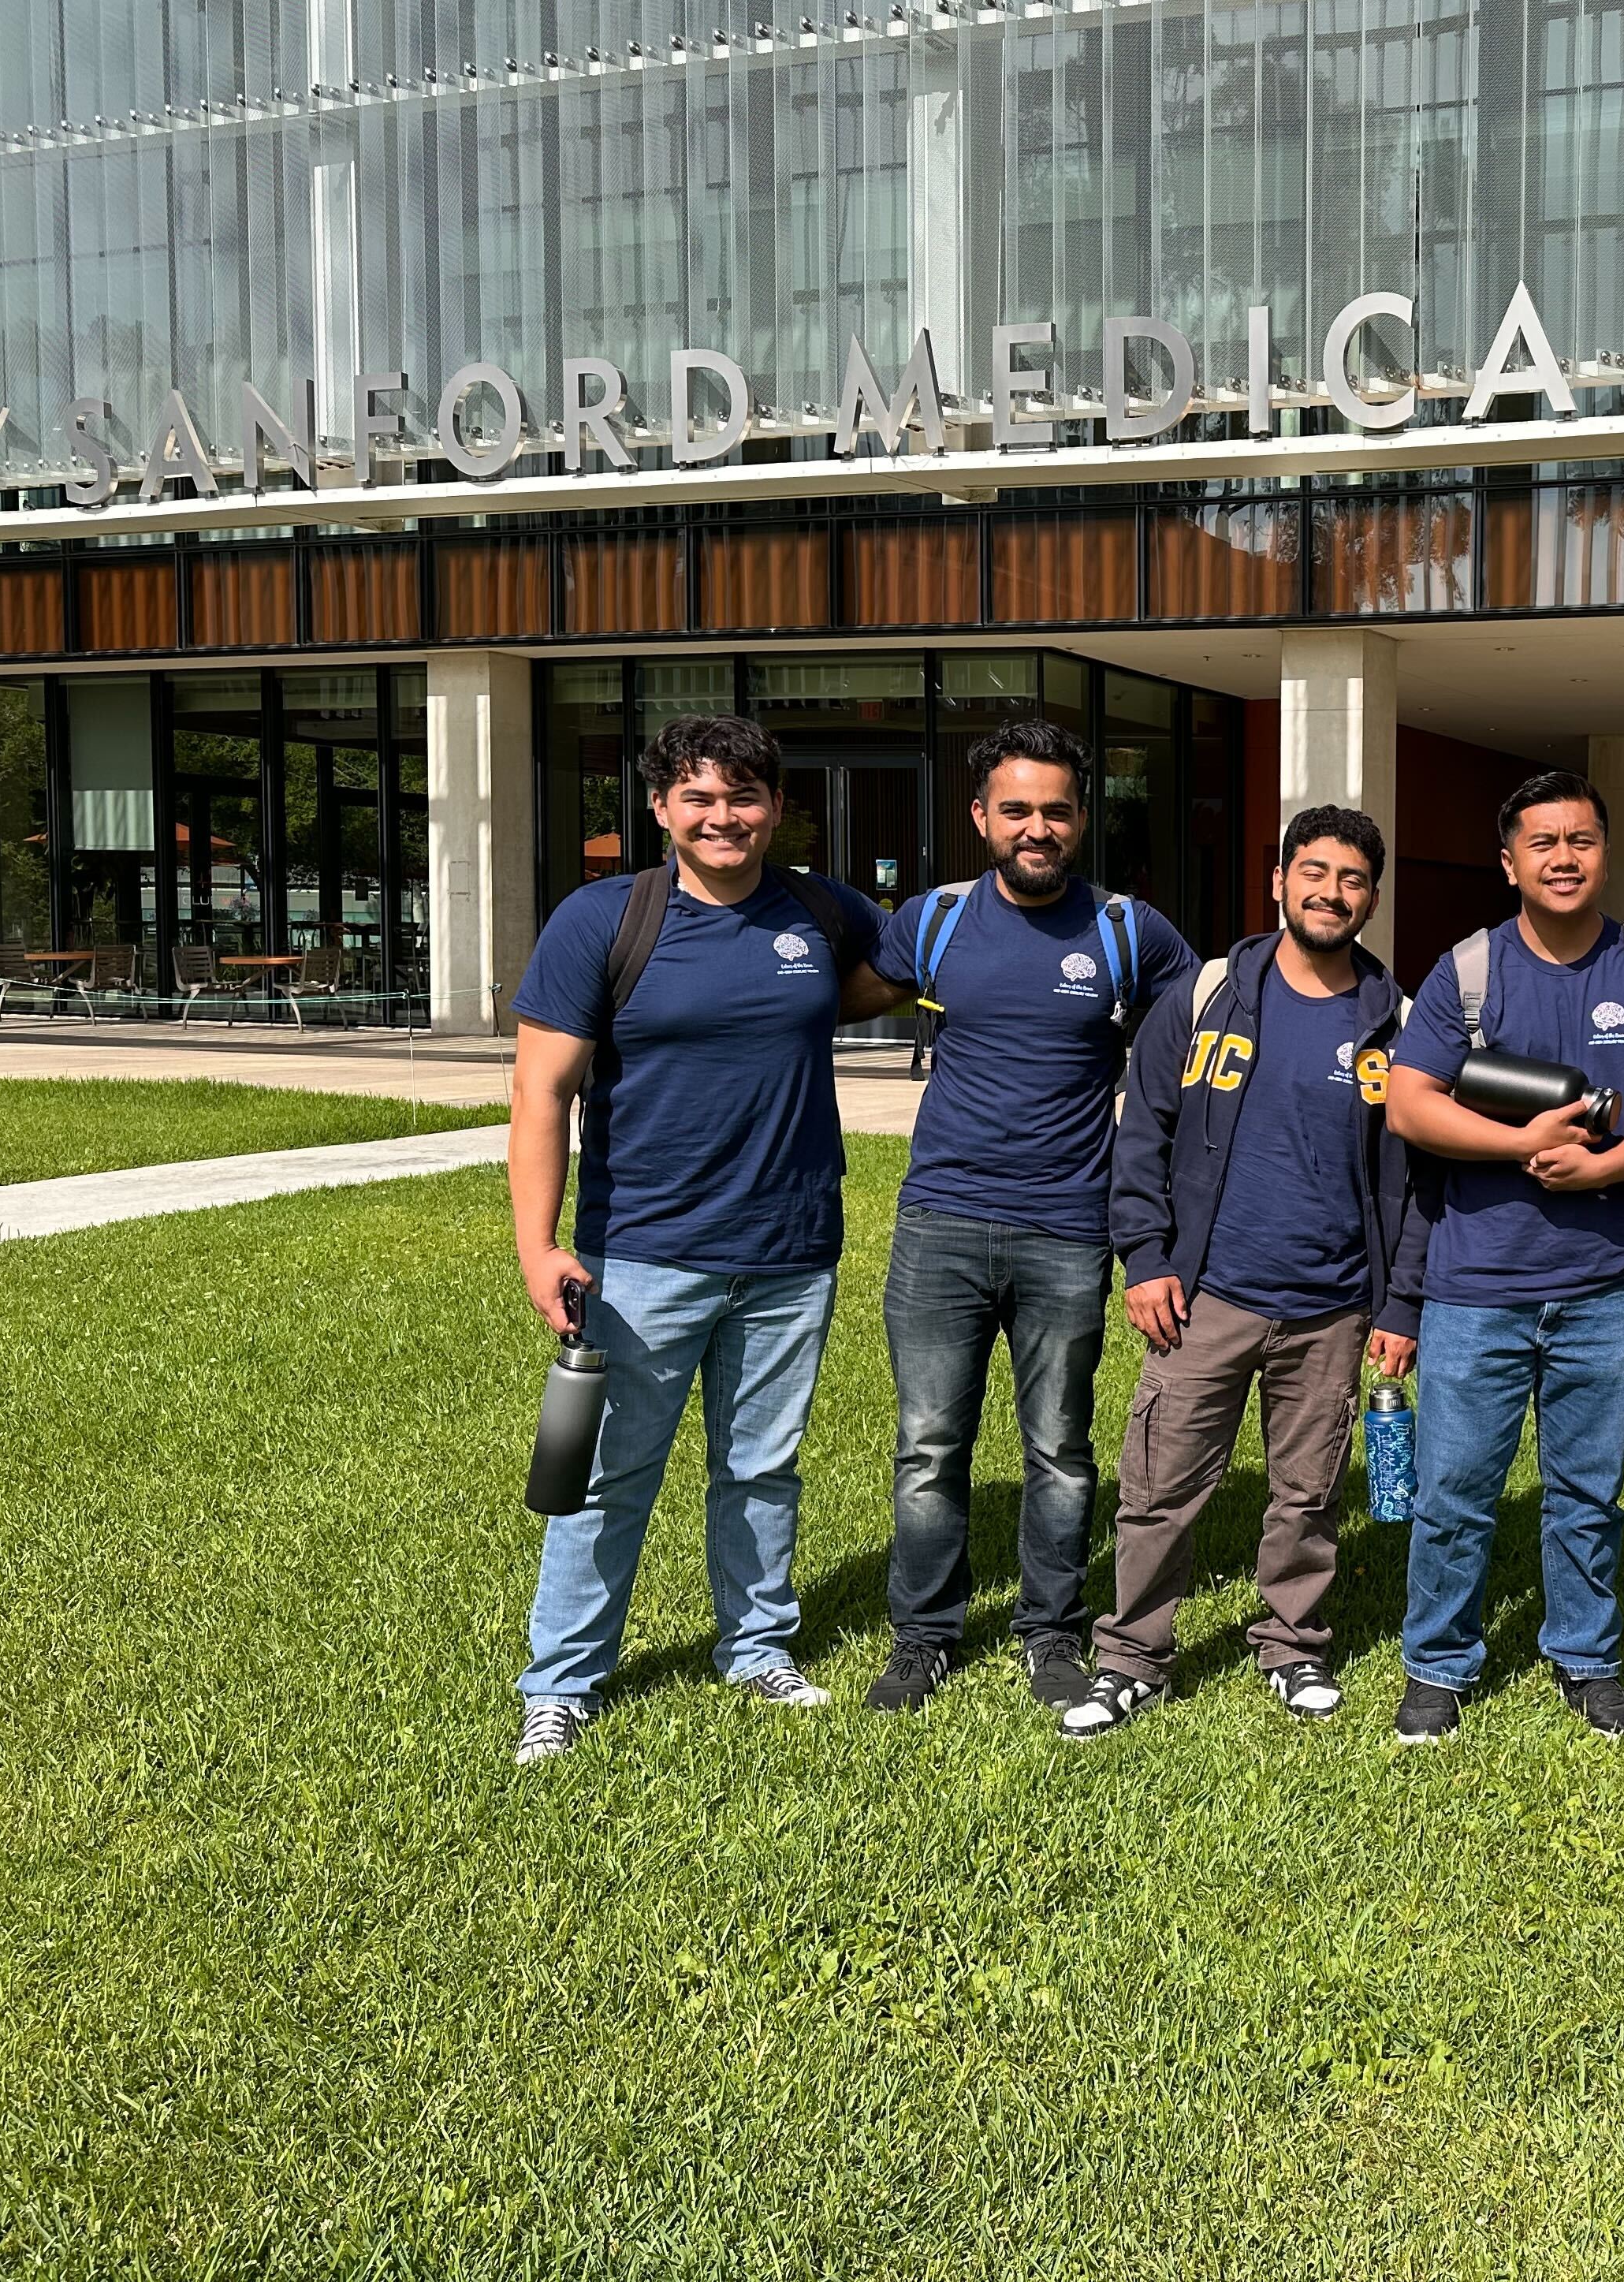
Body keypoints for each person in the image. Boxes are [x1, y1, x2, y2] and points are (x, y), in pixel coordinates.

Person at [505, 713, 899, 1766]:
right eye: (700, 797)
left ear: (777, 806)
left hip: (791, 1251)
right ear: (661, 807)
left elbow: (903, 965)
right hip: (640, 1255)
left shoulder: (820, 910)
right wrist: (538, 1246)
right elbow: (540, 1092)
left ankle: (757, 1648)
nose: (724, 816)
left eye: (744, 796)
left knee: (763, 1469)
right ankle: (561, 1683)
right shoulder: (605, 919)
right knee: (606, 1478)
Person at [1061, 807, 1431, 1737]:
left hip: (1334, 1308)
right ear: (1278, 881)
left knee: (1308, 1493)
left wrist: (1401, 1302)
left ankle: (1293, 1644)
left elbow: (1420, 1180)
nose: (1330, 893)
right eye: (1314, 872)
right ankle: (1132, 1658)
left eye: (1352, 880)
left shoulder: (1397, 1021)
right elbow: (1141, 1134)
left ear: (1372, 898)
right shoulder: (1207, 995)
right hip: (1205, 1296)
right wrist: (1147, 1259)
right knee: (1158, 1490)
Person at [859, 720, 1196, 1721]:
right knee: (929, 1444)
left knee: (1059, 1447)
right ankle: (924, 1637)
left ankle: (1051, 1632)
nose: (1036, 828)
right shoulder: (935, 921)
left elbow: (1207, 1026)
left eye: (1056, 811)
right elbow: (816, 1000)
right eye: (1016, 810)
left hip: (1068, 1229)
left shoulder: (1130, 932)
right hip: (940, 1224)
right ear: (981, 817)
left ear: (1082, 819)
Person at [1384, 770, 1624, 1745]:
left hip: (1605, 1285)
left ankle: (1586, 1659)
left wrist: (1604, 1164)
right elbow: (1409, 1103)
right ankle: (1438, 1665)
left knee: (1588, 1492)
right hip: (1475, 1285)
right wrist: (1523, 1145)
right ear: (1509, 863)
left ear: (1605, 853)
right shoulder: (1467, 970)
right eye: (1543, 843)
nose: (1563, 858)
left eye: (1581, 840)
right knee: (1454, 1492)